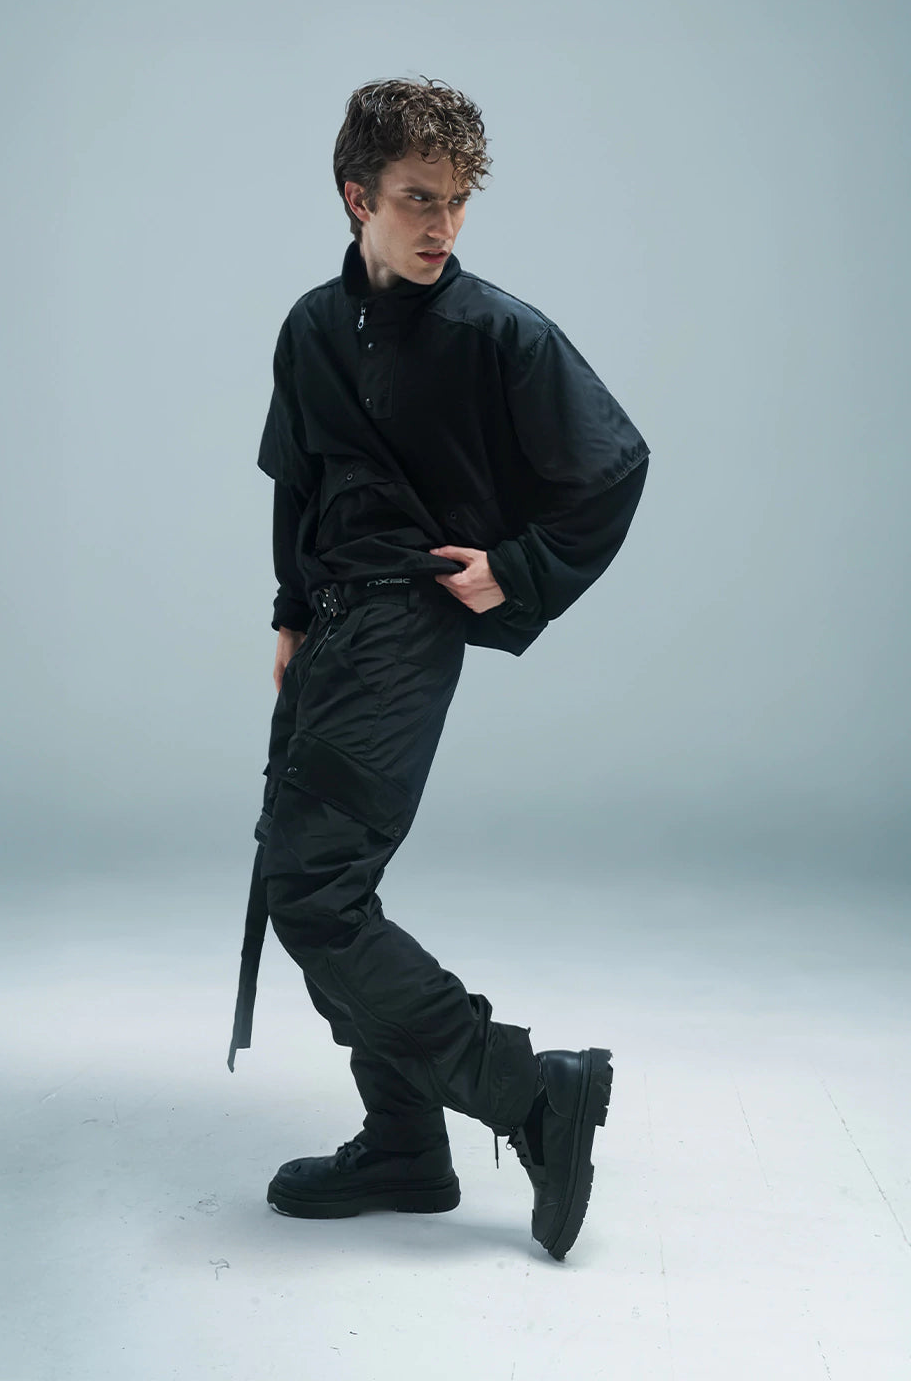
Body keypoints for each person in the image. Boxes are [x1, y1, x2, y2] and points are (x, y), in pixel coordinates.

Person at [228, 75, 650, 1261]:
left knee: (315, 892)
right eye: (419, 197)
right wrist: (289, 615)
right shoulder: (311, 327)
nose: (442, 225)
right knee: (319, 885)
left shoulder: (494, 332)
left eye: (458, 201)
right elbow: (298, 481)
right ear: (355, 195)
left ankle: (529, 1091)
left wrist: (517, 569)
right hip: (330, 629)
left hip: (403, 632)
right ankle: (406, 1146)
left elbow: (613, 465)